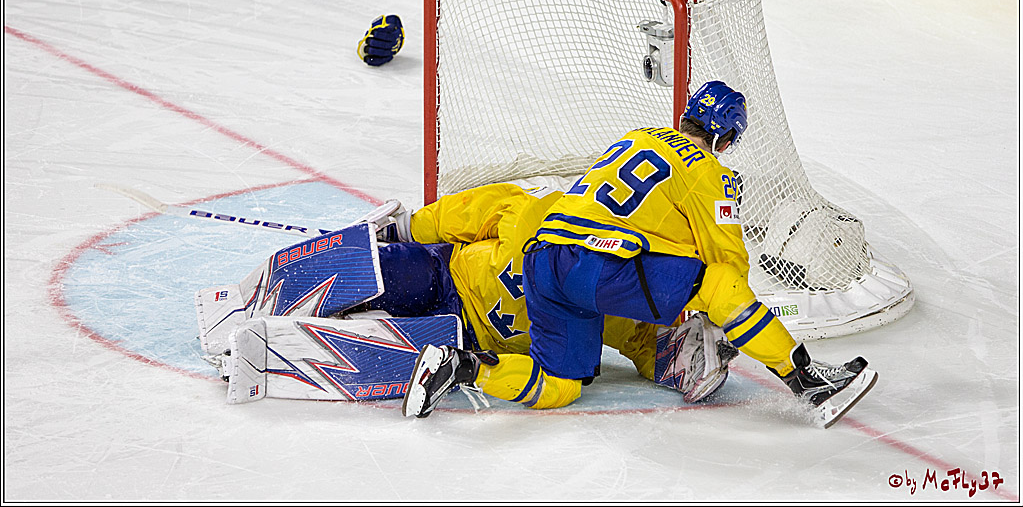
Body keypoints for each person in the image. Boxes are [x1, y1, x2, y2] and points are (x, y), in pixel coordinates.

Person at [402, 80, 878, 429]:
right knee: (719, 286)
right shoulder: (710, 170)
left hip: (543, 260)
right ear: (726, 138)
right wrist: (719, 316)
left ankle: (459, 366)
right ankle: (807, 380)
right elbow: (729, 266)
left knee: (561, 385)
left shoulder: (634, 137)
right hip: (596, 266)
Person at [352, 180, 734, 405]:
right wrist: (404, 229)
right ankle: (353, 266)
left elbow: (645, 344)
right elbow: (467, 213)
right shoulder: (541, 208)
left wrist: (694, 357)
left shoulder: (613, 285)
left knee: (397, 345)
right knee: (379, 273)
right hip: (445, 272)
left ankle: (446, 361)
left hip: (468, 335)